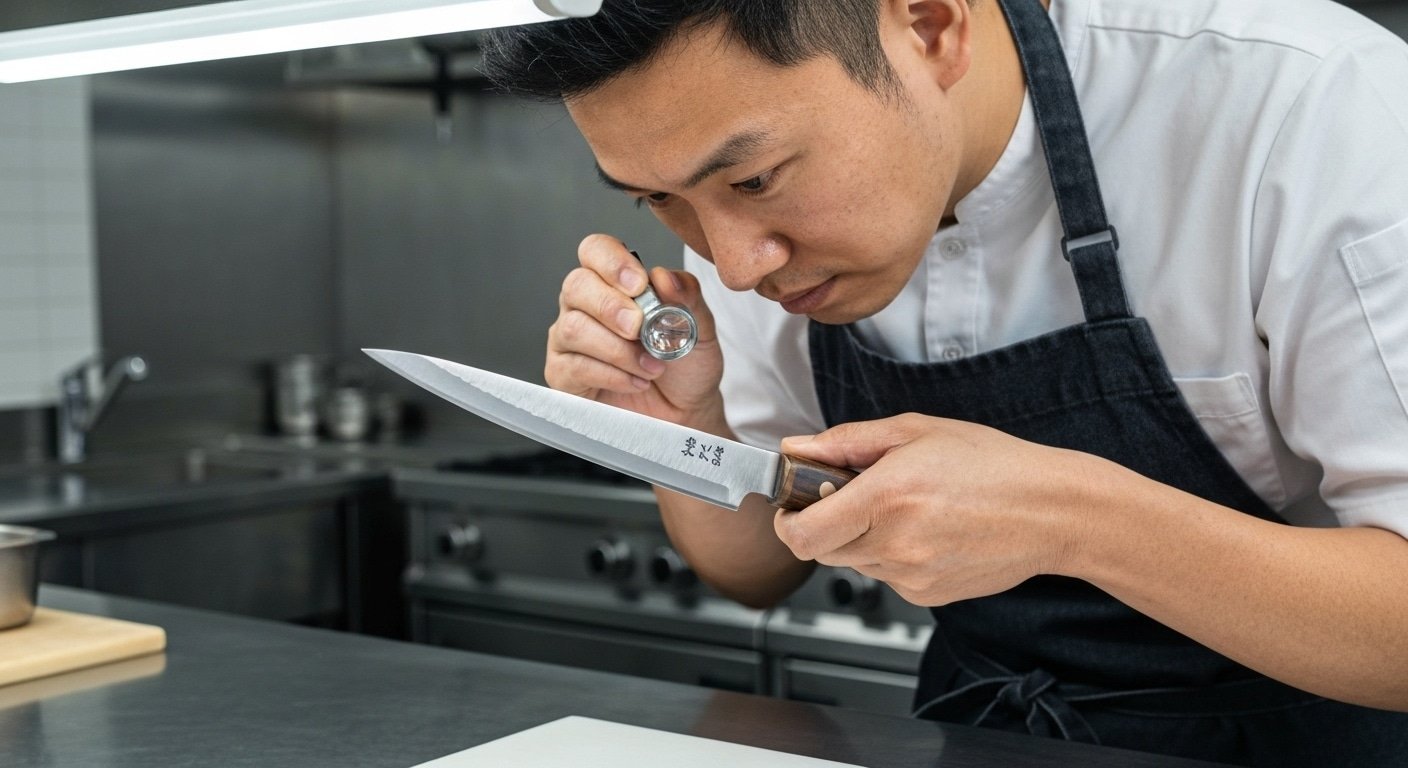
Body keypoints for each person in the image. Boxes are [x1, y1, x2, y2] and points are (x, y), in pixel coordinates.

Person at [481, 0, 1408, 764]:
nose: (733, 262)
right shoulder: (762, 244)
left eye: (757, 179)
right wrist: (684, 423)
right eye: (659, 200)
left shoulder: (1309, 108)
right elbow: (756, 571)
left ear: (929, 26)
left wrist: (1071, 518)